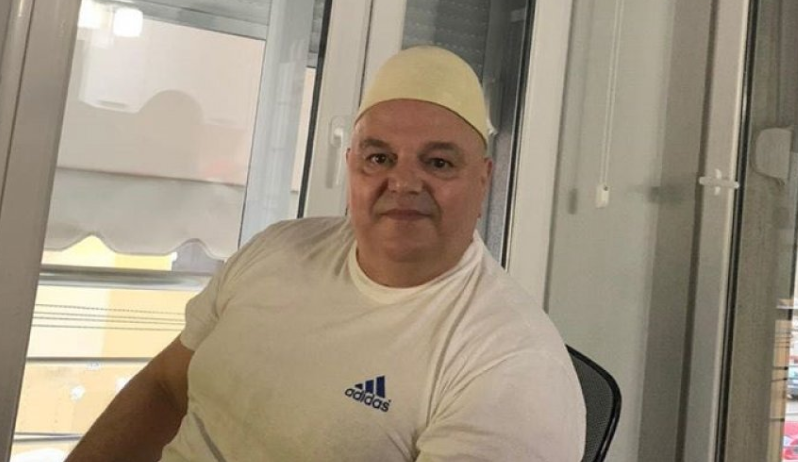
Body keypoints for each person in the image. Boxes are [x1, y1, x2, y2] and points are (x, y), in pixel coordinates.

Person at [65, 46, 585, 462]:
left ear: (484, 179)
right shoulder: (276, 251)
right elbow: (164, 388)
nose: (403, 182)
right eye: (379, 157)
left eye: (439, 163)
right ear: (351, 166)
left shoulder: (514, 368)